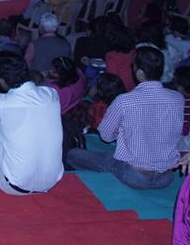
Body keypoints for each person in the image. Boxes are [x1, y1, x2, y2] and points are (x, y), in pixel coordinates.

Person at [67, 47, 183, 188]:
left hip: (134, 175)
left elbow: (106, 136)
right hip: (166, 177)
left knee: (73, 154)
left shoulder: (124, 101)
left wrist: (123, 132)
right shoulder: (177, 98)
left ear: (140, 73)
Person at [0, 56, 63, 195]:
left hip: (13, 186)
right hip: (51, 182)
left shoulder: (1, 104)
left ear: (2, 80)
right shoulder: (52, 95)